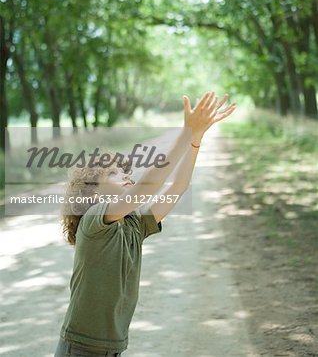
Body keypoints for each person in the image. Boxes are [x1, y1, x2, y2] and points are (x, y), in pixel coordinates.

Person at [54, 90, 236, 357]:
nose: (126, 176)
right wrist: (184, 134)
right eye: (113, 173)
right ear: (93, 192)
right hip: (80, 347)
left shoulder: (134, 225)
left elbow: (178, 187)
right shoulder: (93, 222)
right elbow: (143, 189)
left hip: (112, 346)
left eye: (124, 171)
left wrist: (195, 140)